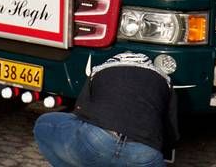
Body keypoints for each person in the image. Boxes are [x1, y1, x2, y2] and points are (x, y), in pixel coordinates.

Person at [32, 51, 177, 167]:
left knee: (44, 123)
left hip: (98, 140)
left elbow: (81, 112)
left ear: (114, 61)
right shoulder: (165, 81)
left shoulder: (99, 71)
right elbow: (171, 134)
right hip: (146, 155)